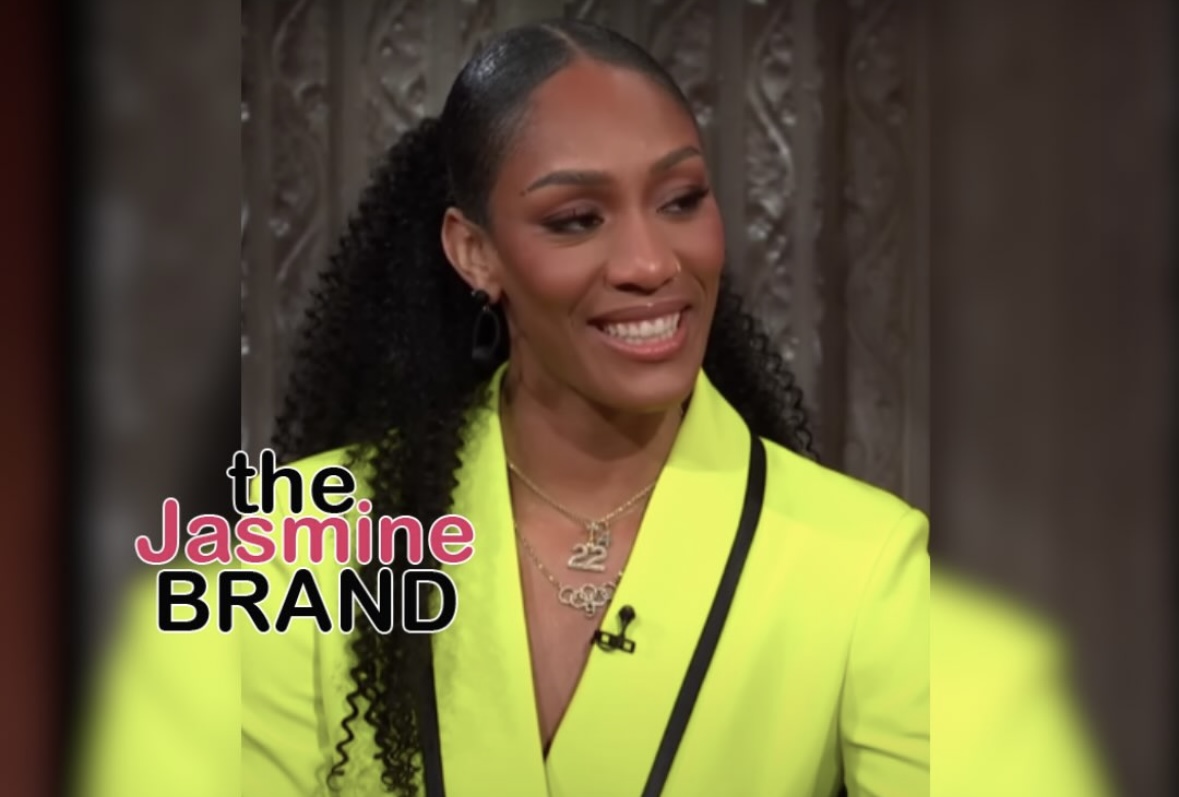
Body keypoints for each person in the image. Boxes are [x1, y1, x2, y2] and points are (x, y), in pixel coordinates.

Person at [247, 18, 929, 797]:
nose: (650, 263)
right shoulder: (297, 541)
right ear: (475, 252)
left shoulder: (864, 560)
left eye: (680, 201)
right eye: (576, 219)